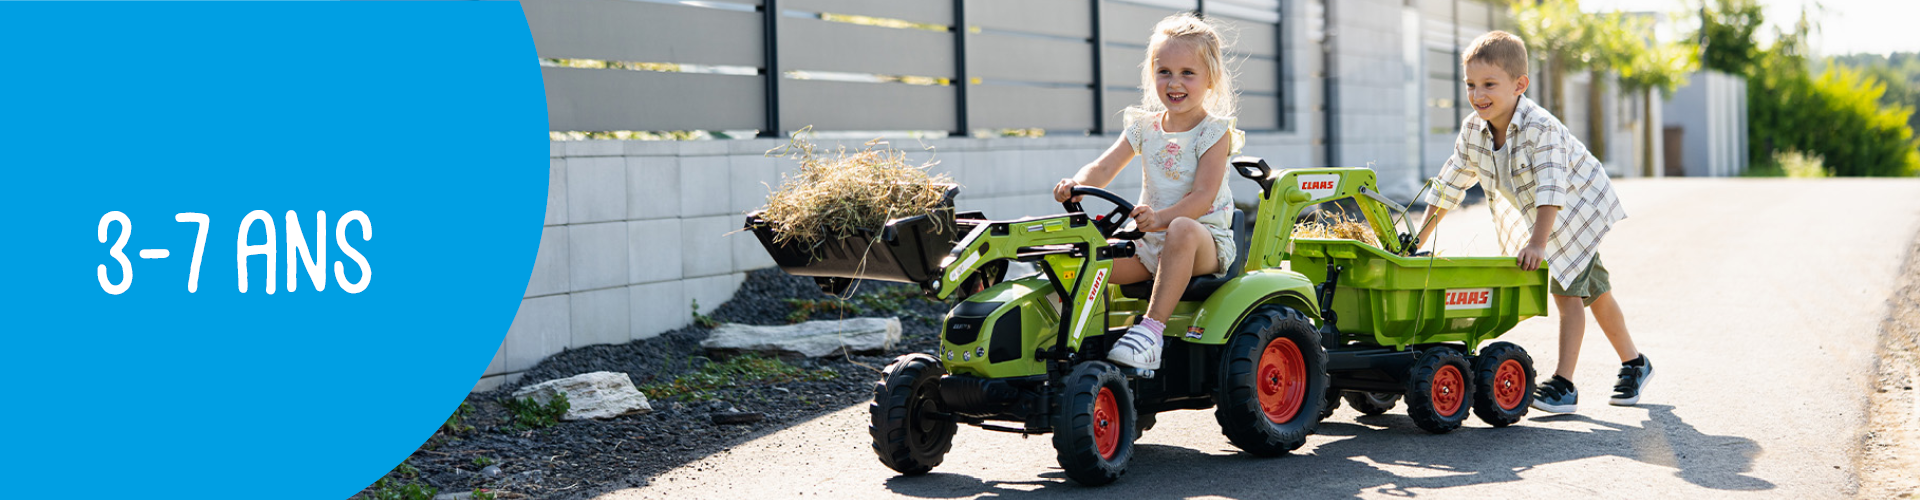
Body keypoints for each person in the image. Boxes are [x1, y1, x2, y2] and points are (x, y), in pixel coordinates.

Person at [1413, 30, 1650, 413]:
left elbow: (1552, 189)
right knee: (1596, 291)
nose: (1478, 95)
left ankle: (1564, 385)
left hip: (1577, 208)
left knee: (1566, 288)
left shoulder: (1542, 128)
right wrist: (1415, 239)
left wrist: (1538, 244)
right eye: (1471, 85)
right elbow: (1449, 185)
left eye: (1490, 84)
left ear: (1520, 85)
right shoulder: (1474, 129)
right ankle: (1635, 363)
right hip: (1544, 215)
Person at [1052, 13, 1244, 371]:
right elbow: (1104, 167)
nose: (1175, 82)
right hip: (1147, 244)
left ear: (1211, 79)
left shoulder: (1214, 132)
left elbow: (1203, 196)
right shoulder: (1144, 127)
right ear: (1152, 72)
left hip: (1202, 241)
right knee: (1087, 256)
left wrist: (1159, 218)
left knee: (1181, 228)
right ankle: (1060, 335)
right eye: (1164, 71)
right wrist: (1076, 183)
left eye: (1188, 73)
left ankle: (1150, 333)